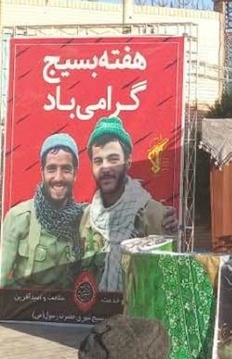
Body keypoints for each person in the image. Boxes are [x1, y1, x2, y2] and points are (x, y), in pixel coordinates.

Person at [80, 116, 177, 292]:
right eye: (98, 161)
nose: (105, 168)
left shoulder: (153, 214)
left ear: (128, 162)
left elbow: (166, 281)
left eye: (113, 159)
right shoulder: (87, 218)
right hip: (97, 308)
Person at [0, 134, 86, 289]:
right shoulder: (19, 218)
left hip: (67, 302)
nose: (58, 177)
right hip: (24, 301)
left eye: (66, 169)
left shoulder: (83, 221)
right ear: (42, 172)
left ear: (75, 173)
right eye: (51, 169)